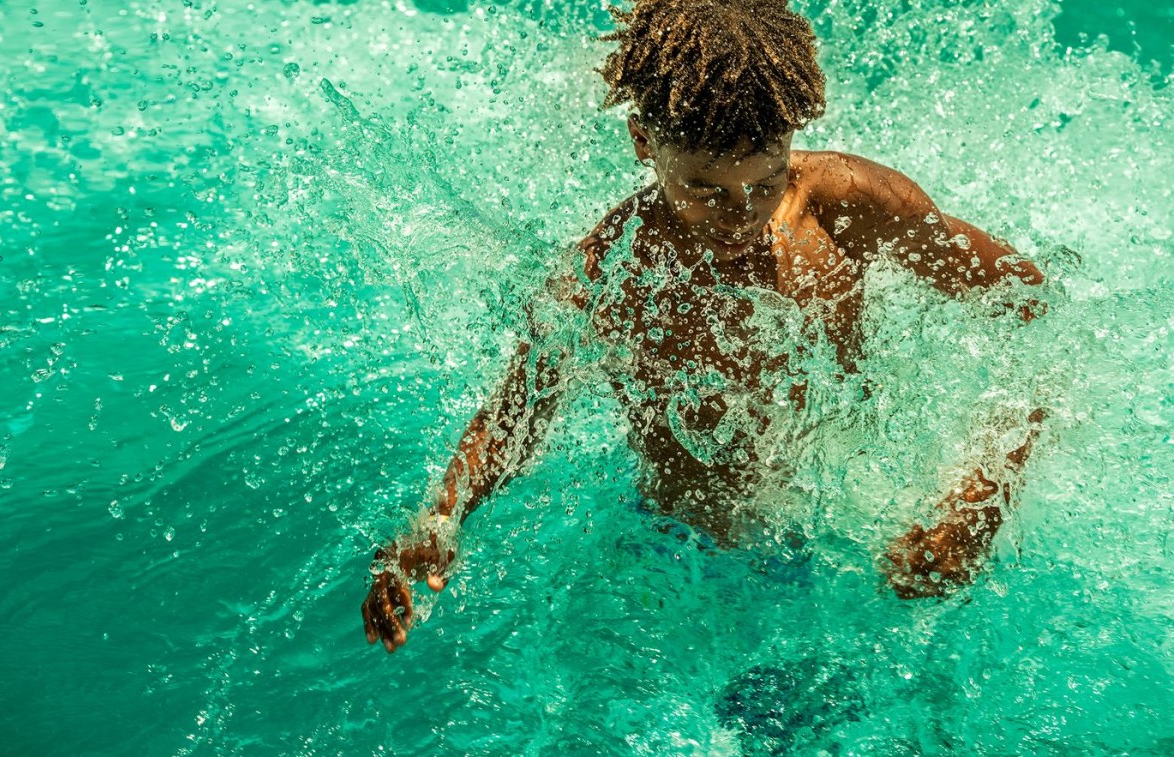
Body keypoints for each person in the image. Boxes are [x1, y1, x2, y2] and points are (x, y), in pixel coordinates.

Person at [362, 0, 1046, 652]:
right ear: (643, 143)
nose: (742, 215)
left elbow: (1035, 311)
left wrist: (981, 496)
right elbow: (514, 418)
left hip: (837, 543)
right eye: (706, 191)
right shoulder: (610, 273)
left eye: (766, 182)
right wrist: (439, 518)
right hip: (671, 550)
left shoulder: (849, 206)